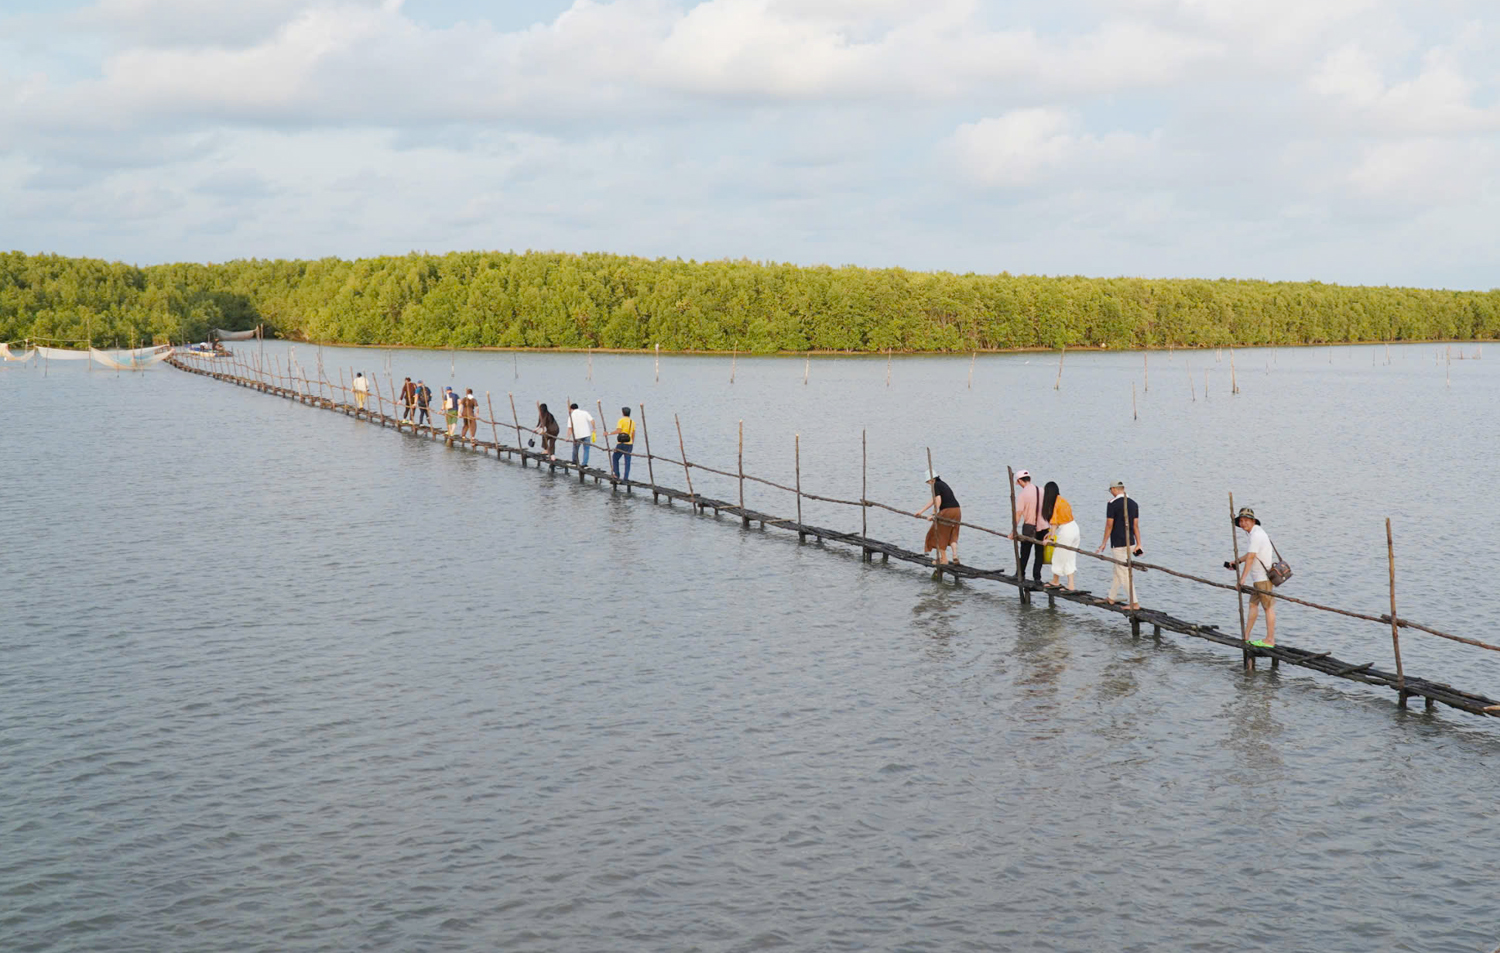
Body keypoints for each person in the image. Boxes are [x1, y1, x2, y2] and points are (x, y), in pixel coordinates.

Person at [1226, 507, 1277, 647]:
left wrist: (1242, 580)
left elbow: (1251, 558)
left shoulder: (1256, 535)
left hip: (1263, 578)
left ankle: (1270, 640)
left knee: (1268, 608)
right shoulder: (1254, 533)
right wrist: (1236, 561)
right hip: (1258, 578)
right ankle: (1246, 636)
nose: (1243, 523)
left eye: (1246, 520)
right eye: (1241, 521)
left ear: (1253, 521)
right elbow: (1249, 555)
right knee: (1253, 605)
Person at [1095, 480, 1143, 609]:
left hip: (1118, 543)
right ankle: (1111, 597)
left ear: (1114, 489)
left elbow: (1109, 525)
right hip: (1131, 542)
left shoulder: (1112, 504)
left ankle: (1134, 603)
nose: (1111, 493)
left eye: (1111, 490)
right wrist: (1139, 543)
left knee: (1123, 572)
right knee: (1118, 570)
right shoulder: (1134, 504)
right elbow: (1135, 526)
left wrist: (1103, 543)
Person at [1009, 470, 1049, 583]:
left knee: (1025, 552)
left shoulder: (1023, 494)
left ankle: (1020, 574)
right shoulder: (1042, 490)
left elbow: (1018, 514)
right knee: (1039, 552)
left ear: (1020, 481)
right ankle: (1037, 577)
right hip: (1044, 526)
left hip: (1029, 526)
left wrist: (1013, 530)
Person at [916, 469, 961, 566]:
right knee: (953, 532)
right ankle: (955, 556)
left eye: (928, 482)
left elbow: (938, 500)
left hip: (947, 511)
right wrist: (921, 511)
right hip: (957, 510)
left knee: (937, 533)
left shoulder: (936, 485)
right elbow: (933, 500)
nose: (929, 484)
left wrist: (933, 514)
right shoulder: (943, 484)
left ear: (932, 479)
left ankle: (944, 559)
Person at [1042, 481, 1079, 590]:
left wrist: (1051, 538)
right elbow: (1061, 519)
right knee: (1070, 557)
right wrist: (1051, 533)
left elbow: (1053, 523)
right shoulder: (1063, 501)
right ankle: (1071, 585)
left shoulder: (1055, 504)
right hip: (1074, 528)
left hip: (1066, 531)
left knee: (1058, 556)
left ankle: (1055, 581)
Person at [606, 406, 636, 481]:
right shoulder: (632, 422)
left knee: (615, 457)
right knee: (627, 460)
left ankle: (616, 474)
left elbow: (618, 431)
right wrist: (632, 442)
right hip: (629, 443)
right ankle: (626, 477)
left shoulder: (621, 420)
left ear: (623, 413)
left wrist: (609, 433)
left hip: (621, 443)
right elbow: (633, 433)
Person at [567, 402, 595, 467]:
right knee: (586, 450)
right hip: (587, 434)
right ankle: (584, 464)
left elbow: (570, 428)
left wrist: (568, 437)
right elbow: (592, 420)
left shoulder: (571, 416)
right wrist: (594, 428)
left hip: (577, 435)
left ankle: (575, 461)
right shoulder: (585, 413)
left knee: (575, 449)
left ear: (571, 409)